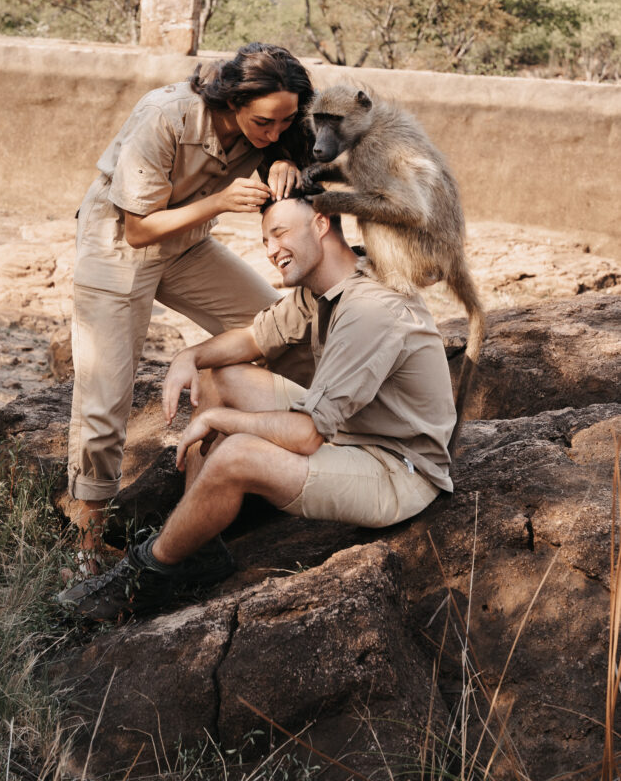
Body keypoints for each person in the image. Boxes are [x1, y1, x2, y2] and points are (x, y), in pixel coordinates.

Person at [59, 192, 457, 621]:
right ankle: (197, 548)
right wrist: (189, 357)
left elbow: (306, 436)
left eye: (280, 233)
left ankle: (146, 574)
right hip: (350, 431)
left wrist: (217, 418)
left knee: (235, 454)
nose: (271, 251)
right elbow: (254, 338)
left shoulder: (369, 308)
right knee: (219, 376)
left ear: (322, 223)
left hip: (397, 469)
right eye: (266, 239)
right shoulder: (331, 282)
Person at [67, 43, 314, 574]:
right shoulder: (167, 116)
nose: (272, 132)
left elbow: (291, 158)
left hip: (189, 246)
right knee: (106, 392)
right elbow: (138, 229)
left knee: (280, 326)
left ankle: (234, 473)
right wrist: (222, 201)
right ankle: (86, 541)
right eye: (264, 122)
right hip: (119, 245)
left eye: (285, 121)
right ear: (232, 101)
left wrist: (287, 163)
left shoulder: (279, 130)